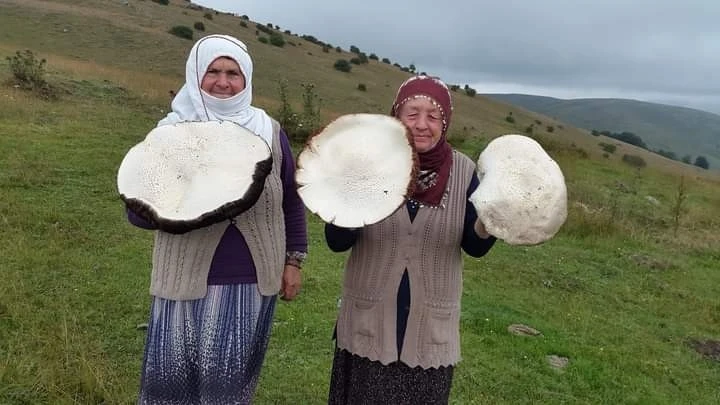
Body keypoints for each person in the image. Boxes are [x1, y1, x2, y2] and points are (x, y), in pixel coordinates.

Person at [125, 34, 308, 404]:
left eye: (232, 73)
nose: (223, 82)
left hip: (249, 280)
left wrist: (293, 261)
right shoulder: (170, 133)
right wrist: (182, 207)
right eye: (212, 71)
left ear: (247, 79)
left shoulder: (269, 132)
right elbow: (137, 213)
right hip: (184, 277)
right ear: (195, 75)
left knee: (227, 389)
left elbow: (290, 198)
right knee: (170, 385)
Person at [324, 75, 496, 404]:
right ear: (396, 116)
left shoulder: (464, 172)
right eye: (411, 114)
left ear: (445, 123)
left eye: (433, 117)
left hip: (429, 332)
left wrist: (493, 220)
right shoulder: (370, 162)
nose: (421, 125)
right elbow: (336, 242)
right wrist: (350, 197)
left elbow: (475, 246)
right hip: (368, 324)